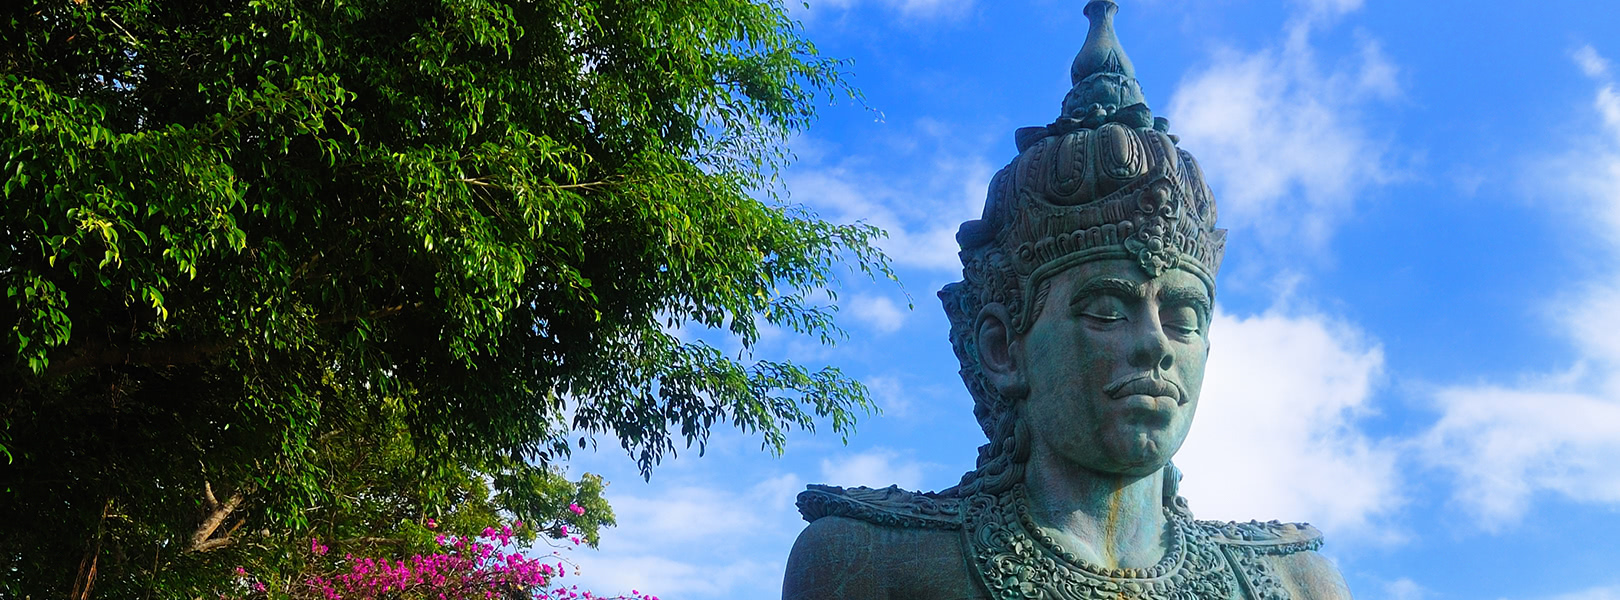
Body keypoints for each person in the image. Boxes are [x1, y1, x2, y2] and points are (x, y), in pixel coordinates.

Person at [781, 3, 1354, 599]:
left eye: (1183, 320)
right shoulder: (869, 564)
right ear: (1002, 348)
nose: (1155, 343)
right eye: (1107, 311)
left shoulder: (1296, 582)